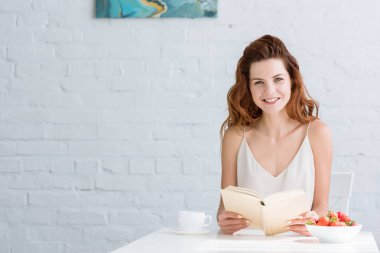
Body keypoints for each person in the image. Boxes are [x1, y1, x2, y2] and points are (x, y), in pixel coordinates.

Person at [217, 35, 333, 236]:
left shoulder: (317, 133)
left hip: (299, 245)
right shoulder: (235, 136)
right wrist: (224, 220)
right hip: (247, 246)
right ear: (248, 87)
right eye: (259, 82)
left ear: (292, 81)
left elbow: (321, 206)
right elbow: (224, 209)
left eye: (278, 79)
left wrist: (314, 219)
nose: (269, 91)